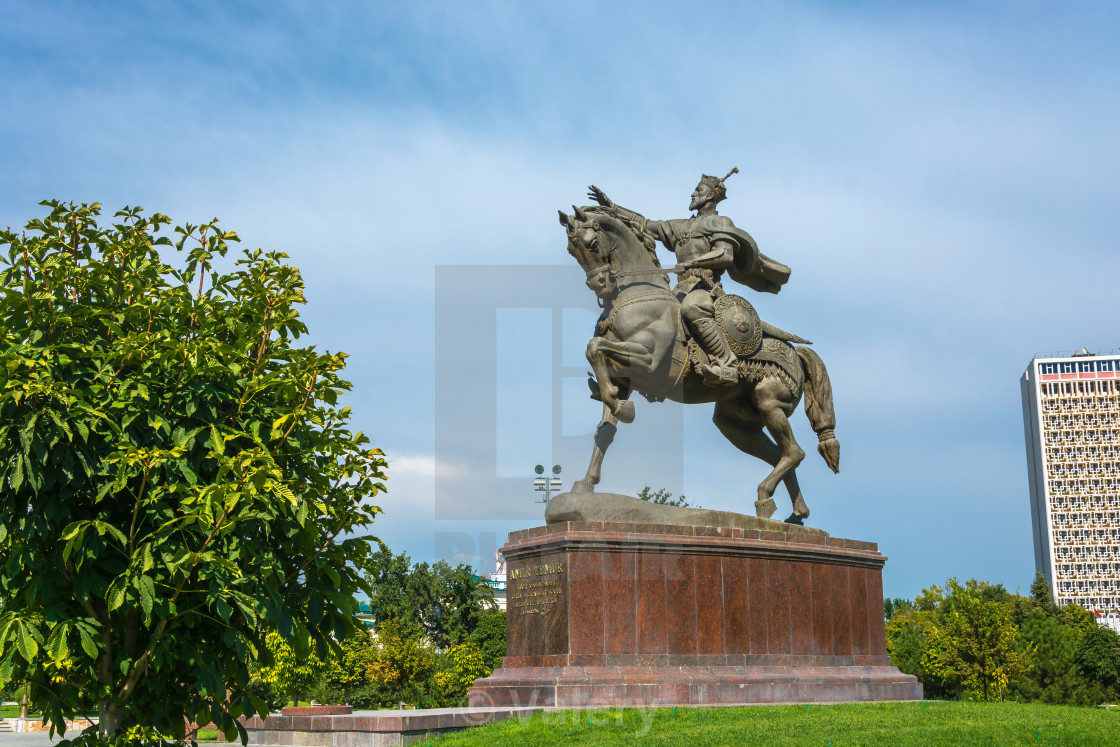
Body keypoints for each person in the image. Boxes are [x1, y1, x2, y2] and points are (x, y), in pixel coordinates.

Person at [588, 169, 790, 386]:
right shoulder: (682, 226)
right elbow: (646, 225)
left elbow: (725, 254)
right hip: (680, 289)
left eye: (698, 190)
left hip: (705, 288)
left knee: (691, 308)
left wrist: (694, 262)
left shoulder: (721, 222)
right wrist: (613, 208)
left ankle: (726, 364)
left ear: (710, 196)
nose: (693, 194)